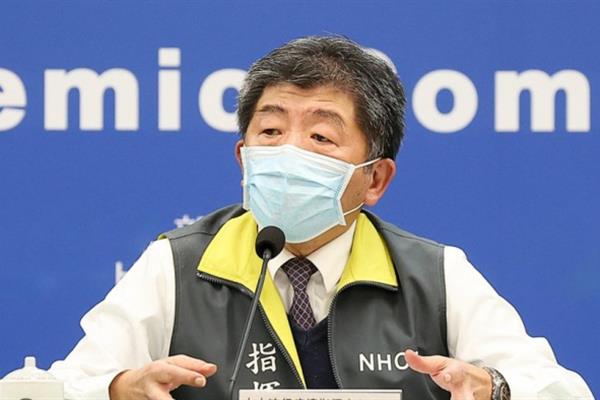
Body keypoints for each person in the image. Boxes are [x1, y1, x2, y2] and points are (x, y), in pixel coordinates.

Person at [49, 36, 594, 400]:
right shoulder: (177, 264)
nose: (289, 151)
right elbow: (44, 390)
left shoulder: (435, 275)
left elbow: (562, 391)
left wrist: (494, 388)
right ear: (243, 159)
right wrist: (116, 389)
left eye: (320, 136)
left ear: (375, 179)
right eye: (270, 131)